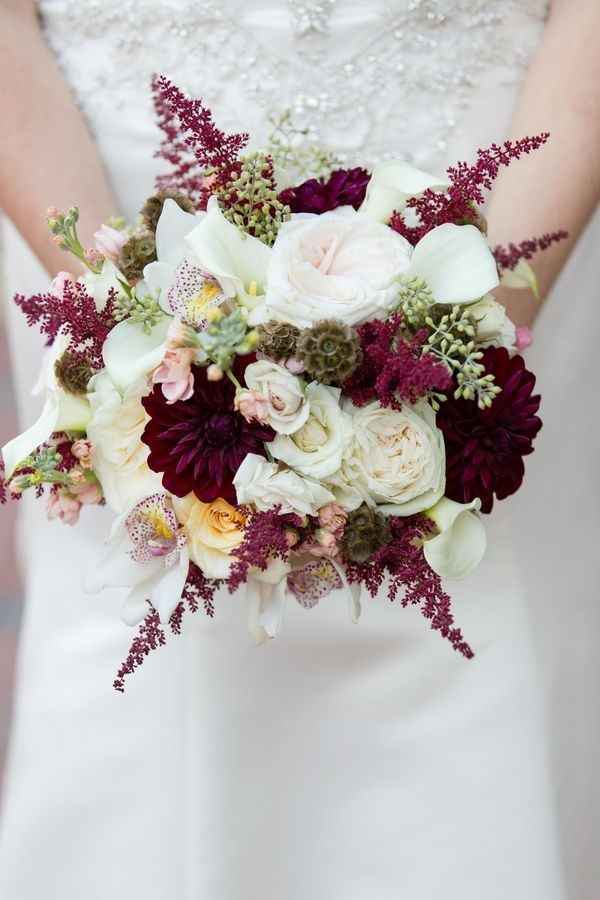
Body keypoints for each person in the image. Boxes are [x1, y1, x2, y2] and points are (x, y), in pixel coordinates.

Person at [0, 1, 598, 898]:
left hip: (510, 185)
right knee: (146, 724)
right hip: (105, 181)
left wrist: (474, 336)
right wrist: (124, 318)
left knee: (484, 692)